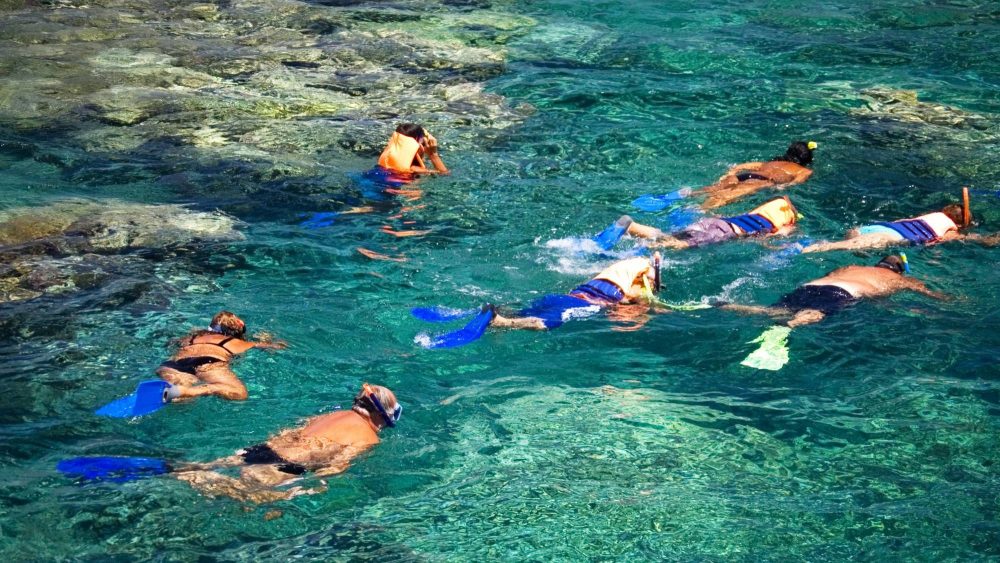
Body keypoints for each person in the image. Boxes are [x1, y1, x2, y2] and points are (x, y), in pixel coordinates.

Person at [173, 383, 401, 503]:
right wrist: (316, 485)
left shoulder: (333, 414)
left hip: (264, 448)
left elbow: (293, 429)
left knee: (206, 466)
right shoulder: (369, 437)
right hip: (286, 466)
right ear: (381, 414)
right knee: (253, 497)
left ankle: (178, 470)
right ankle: (190, 478)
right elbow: (338, 465)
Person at [718, 255, 946, 327]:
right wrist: (948, 301)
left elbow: (832, 274)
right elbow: (928, 293)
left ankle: (728, 306)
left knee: (774, 310)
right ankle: (790, 326)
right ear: (899, 271)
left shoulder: (851, 266)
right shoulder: (899, 280)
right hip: (843, 292)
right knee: (814, 314)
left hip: (811, 285)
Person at [490, 254, 661, 331]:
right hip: (581, 304)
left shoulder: (614, 273)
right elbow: (620, 322)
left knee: (523, 312)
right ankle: (502, 323)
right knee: (545, 323)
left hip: (559, 297)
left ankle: (498, 313)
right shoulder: (630, 286)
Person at [156, 311, 287, 401]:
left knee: (183, 399)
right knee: (239, 393)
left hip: (172, 365)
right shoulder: (237, 343)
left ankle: (178, 393)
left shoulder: (191, 337)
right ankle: (190, 391)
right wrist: (268, 338)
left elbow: (172, 343)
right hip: (207, 363)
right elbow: (278, 346)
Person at [597, 196, 799, 250]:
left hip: (715, 222)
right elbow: (776, 239)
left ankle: (632, 227)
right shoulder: (784, 224)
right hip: (726, 231)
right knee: (678, 245)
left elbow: (784, 197)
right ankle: (644, 248)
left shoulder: (764, 210)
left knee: (673, 236)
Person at [801, 200, 994, 253]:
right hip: (889, 237)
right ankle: (802, 249)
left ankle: (810, 246)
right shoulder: (951, 229)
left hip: (871, 228)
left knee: (851, 242)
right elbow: (963, 239)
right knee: (834, 247)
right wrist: (987, 240)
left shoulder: (931, 216)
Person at [695, 141, 817, 209]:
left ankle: (685, 194)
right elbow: (796, 182)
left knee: (709, 190)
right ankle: (697, 211)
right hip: (762, 181)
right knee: (718, 201)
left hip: (745, 175)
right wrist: (780, 187)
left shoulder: (772, 162)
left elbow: (740, 167)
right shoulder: (804, 171)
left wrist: (729, 174)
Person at [376, 123, 449, 179]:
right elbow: (445, 175)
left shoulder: (387, 161)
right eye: (423, 143)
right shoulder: (414, 169)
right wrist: (433, 155)